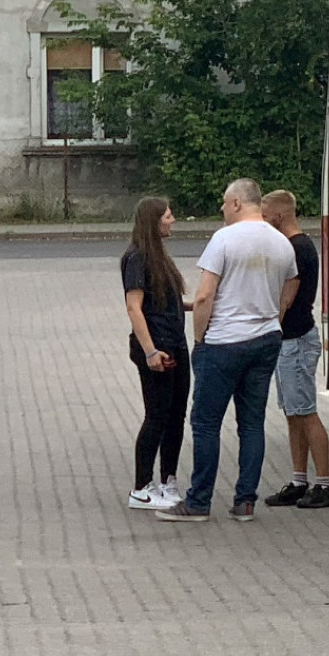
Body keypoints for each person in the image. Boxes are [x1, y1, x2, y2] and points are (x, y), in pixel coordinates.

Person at [157, 178, 298, 524]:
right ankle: (245, 501)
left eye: (224, 202)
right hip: (265, 339)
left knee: (206, 423)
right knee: (251, 424)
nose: (221, 209)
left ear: (237, 202)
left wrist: (200, 338)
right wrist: (274, 316)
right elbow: (293, 281)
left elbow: (204, 296)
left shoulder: (224, 239)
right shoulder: (281, 242)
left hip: (224, 342)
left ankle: (199, 501)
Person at [259, 189, 329, 510]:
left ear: (280, 216)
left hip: (297, 341)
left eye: (265, 217)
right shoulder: (293, 246)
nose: (263, 223)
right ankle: (298, 479)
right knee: (293, 412)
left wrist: (267, 328)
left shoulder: (297, 249)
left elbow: (287, 297)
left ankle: (324, 484)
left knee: (305, 412)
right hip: (289, 341)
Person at [122, 197, 189, 511]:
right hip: (156, 346)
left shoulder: (161, 257)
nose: (172, 220)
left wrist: (199, 305)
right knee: (157, 415)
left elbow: (166, 301)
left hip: (176, 342)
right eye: (168, 215)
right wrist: (150, 351)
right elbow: (135, 308)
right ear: (153, 221)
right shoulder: (136, 258)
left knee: (176, 414)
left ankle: (168, 480)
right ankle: (141, 487)